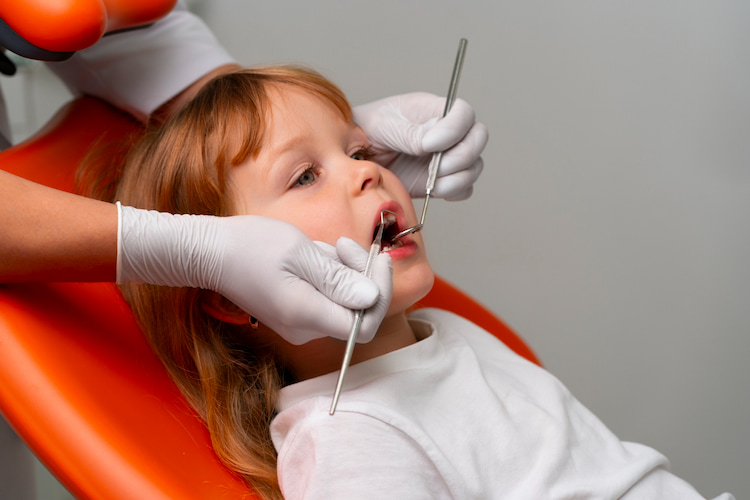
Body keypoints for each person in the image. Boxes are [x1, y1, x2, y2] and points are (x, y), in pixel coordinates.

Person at [99, 66, 733, 500]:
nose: (366, 176)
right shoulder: (351, 438)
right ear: (228, 289)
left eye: (357, 152)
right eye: (303, 176)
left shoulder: (439, 335)